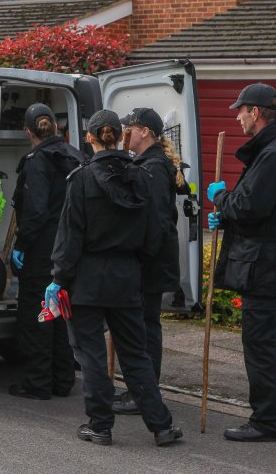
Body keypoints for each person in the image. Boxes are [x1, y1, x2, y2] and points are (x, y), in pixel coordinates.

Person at [47, 109, 183, 447]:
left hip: (89, 279)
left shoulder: (81, 179)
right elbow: (155, 232)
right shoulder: (139, 177)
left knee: (91, 354)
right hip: (127, 276)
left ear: (91, 138)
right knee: (135, 354)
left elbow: (70, 237)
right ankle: (162, 426)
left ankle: (100, 425)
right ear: (120, 137)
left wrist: (58, 279)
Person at [206, 83, 276, 442]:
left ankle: (266, 421)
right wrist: (229, 214)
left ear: (257, 112)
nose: (237, 116)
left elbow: (250, 206)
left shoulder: (273, 155)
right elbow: (262, 209)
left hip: (263, 264)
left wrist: (222, 200)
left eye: (241, 111)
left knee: (263, 345)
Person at [8, 103, 85, 400]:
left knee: (38, 315)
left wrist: (22, 246)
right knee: (60, 313)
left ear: (29, 132)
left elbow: (36, 212)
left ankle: (37, 382)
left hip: (42, 250)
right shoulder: (75, 156)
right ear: (56, 127)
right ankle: (62, 379)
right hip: (70, 249)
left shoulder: (37, 161)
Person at [112, 107, 187, 415]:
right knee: (143, 326)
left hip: (149, 262)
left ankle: (143, 393)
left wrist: (138, 257)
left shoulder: (153, 168)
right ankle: (141, 389)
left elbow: (155, 220)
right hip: (150, 260)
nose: (124, 132)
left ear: (144, 131)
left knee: (143, 328)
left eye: (129, 127)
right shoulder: (147, 163)